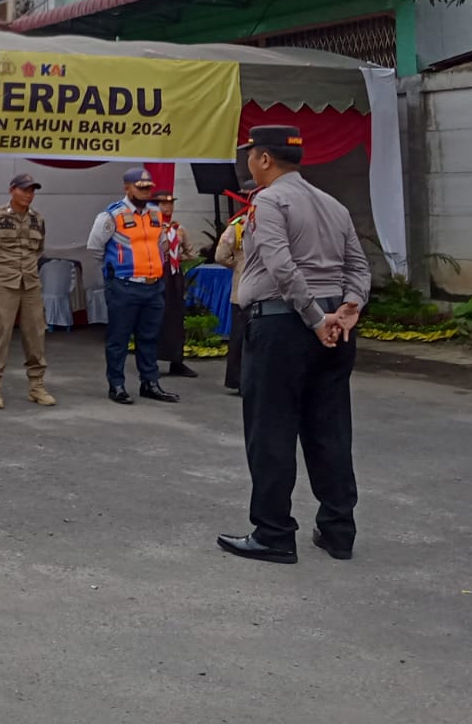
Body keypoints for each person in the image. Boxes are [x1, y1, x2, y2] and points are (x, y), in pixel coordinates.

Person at [218, 126, 371, 565]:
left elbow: (281, 265)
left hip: (283, 328)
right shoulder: (332, 204)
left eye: (250, 154)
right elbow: (358, 266)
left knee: (271, 433)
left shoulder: (268, 201)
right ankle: (338, 530)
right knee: (330, 430)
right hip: (333, 330)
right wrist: (346, 310)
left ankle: (274, 533)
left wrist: (314, 317)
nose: (248, 161)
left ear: (264, 159)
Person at [86, 168, 181, 405]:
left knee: (149, 337)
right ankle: (116, 384)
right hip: (124, 285)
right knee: (118, 338)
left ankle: (150, 383)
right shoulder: (111, 215)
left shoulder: (156, 214)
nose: (146, 191)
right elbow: (95, 248)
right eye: (140, 187)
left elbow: (161, 244)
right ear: (126, 187)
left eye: (148, 187)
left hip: (152, 286)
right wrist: (115, 271)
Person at [0, 173, 55, 410]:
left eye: (32, 190)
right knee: (0, 334)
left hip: (30, 283)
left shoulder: (37, 219)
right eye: (24, 190)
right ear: (12, 190)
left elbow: (38, 250)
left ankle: (37, 385)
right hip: (4, 282)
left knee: (36, 335)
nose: (28, 194)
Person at [215, 180, 257, 393]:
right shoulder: (238, 225)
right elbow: (221, 255)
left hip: (252, 289)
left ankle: (246, 380)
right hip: (244, 291)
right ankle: (239, 381)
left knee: (248, 337)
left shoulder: (251, 222)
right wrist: (239, 265)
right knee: (241, 337)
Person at [154, 190, 198, 379]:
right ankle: (152, 362)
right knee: (156, 316)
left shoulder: (178, 228)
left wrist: (180, 257)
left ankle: (177, 361)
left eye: (171, 204)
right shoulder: (153, 227)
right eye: (164, 204)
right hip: (157, 273)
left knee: (176, 315)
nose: (168, 207)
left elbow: (191, 252)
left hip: (175, 274)